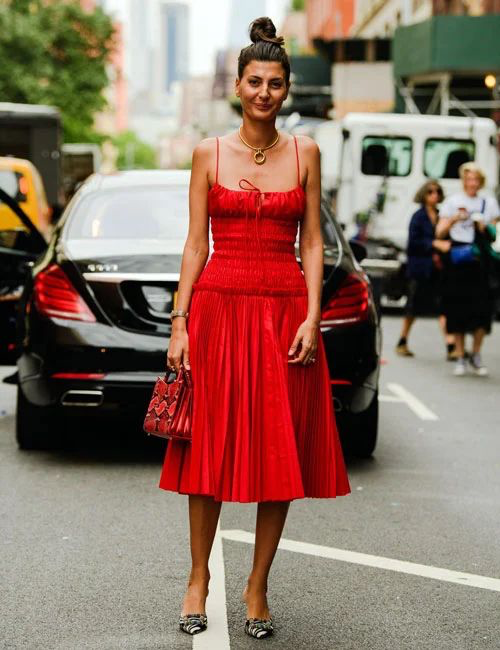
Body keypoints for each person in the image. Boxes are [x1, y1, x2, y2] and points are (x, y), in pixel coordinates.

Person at [157, 16, 351, 640]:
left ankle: (257, 585)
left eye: (275, 83)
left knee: (280, 450)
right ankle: (197, 577)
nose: (264, 92)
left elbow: (315, 243)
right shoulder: (208, 154)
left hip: (284, 309)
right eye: (254, 81)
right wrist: (180, 324)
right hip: (218, 308)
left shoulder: (306, 152)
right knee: (207, 446)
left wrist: (314, 316)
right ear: (237, 86)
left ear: (286, 89)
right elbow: (193, 244)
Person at [436, 162, 500, 376]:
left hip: (480, 262)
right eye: (468, 179)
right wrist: (455, 218)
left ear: (480, 182)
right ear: (463, 180)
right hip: (459, 260)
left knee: (482, 309)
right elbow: (439, 233)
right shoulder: (453, 202)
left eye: (475, 179)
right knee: (458, 308)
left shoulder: (488, 203)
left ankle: (477, 353)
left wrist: (483, 226)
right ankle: (461, 355)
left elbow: (495, 234)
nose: (472, 183)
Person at [396, 180, 453, 358]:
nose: (434, 195)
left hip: (438, 268)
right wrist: (434, 244)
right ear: (424, 195)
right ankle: (402, 340)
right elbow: (413, 243)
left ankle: (451, 345)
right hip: (420, 268)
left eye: (437, 192)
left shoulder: (440, 215)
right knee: (413, 306)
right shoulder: (418, 216)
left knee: (443, 305)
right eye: (430, 192)